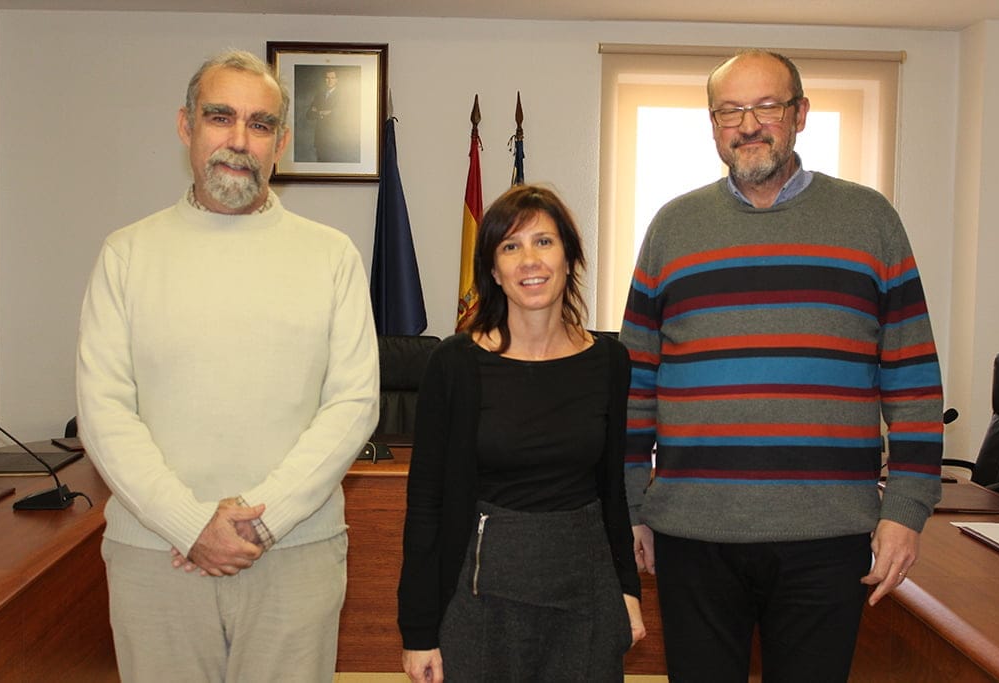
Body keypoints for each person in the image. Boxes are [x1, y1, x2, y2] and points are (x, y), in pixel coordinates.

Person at [620, 49, 943, 682]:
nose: (748, 124)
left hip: (829, 538)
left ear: (800, 114)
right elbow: (635, 384)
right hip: (694, 535)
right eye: (729, 110)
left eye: (766, 105)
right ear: (713, 124)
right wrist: (632, 506)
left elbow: (912, 379)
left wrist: (906, 510)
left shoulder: (870, 220)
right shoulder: (671, 228)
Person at [75, 49, 379, 682]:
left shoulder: (332, 257)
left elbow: (353, 405)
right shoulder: (126, 255)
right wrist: (191, 526)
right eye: (220, 117)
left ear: (281, 142)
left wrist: (260, 523)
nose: (239, 141)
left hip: (295, 554)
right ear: (186, 126)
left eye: (260, 124)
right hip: (155, 558)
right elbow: (104, 413)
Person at [398, 185, 646, 682]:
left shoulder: (609, 362)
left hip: (587, 595)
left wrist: (628, 591)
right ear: (493, 270)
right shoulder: (455, 364)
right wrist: (418, 630)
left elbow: (611, 493)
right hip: (480, 598)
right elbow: (426, 504)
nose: (529, 260)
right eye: (510, 247)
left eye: (544, 242)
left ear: (570, 256)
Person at [307, 69, 345, 162]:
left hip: (336, 139)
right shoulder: (319, 95)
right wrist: (322, 113)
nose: (329, 80)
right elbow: (309, 115)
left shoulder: (343, 95)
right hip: (320, 139)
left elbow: (341, 114)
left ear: (337, 80)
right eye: (327, 78)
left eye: (332, 78)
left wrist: (319, 111)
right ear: (324, 79)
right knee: (321, 167)